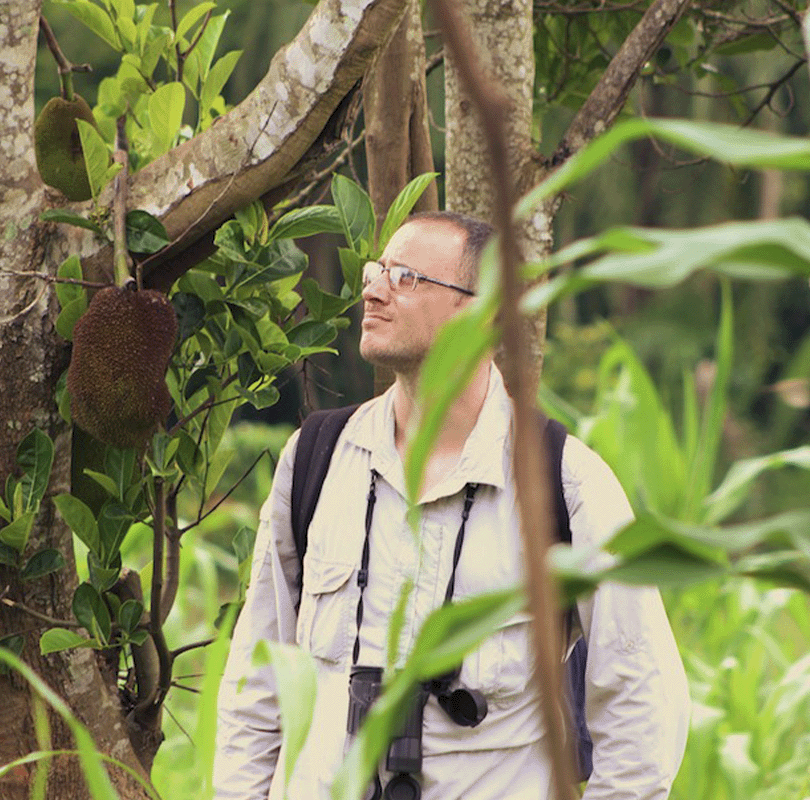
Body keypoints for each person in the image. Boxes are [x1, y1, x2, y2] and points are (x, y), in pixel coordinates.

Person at [214, 211, 690, 799]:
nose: (374, 289)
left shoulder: (564, 483)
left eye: (406, 277)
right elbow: (255, 686)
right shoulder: (316, 458)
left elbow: (642, 710)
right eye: (376, 271)